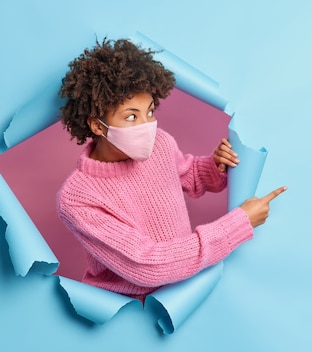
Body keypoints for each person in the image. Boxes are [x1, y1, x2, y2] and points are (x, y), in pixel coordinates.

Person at [56, 38, 286, 301]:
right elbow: (147, 266)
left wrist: (214, 165)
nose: (146, 126)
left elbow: (187, 176)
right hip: (129, 311)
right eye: (131, 116)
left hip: (184, 290)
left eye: (150, 111)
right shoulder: (78, 200)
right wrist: (238, 224)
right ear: (97, 126)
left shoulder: (160, 143)